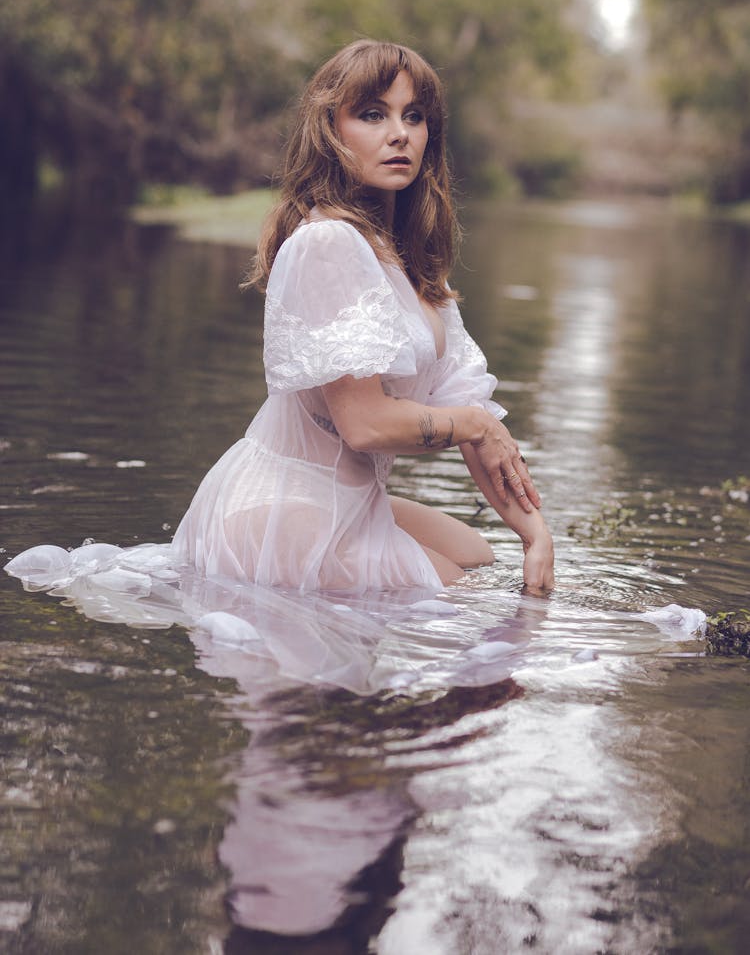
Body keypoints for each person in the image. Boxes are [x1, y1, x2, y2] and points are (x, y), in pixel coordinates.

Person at [171, 39, 554, 594]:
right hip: (286, 503)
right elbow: (366, 424)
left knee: (477, 557)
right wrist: (476, 425)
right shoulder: (328, 243)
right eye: (373, 114)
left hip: (353, 494)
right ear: (332, 130)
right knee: (462, 597)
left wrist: (534, 532)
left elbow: (473, 416)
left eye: (413, 116)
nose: (399, 133)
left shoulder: (412, 267)